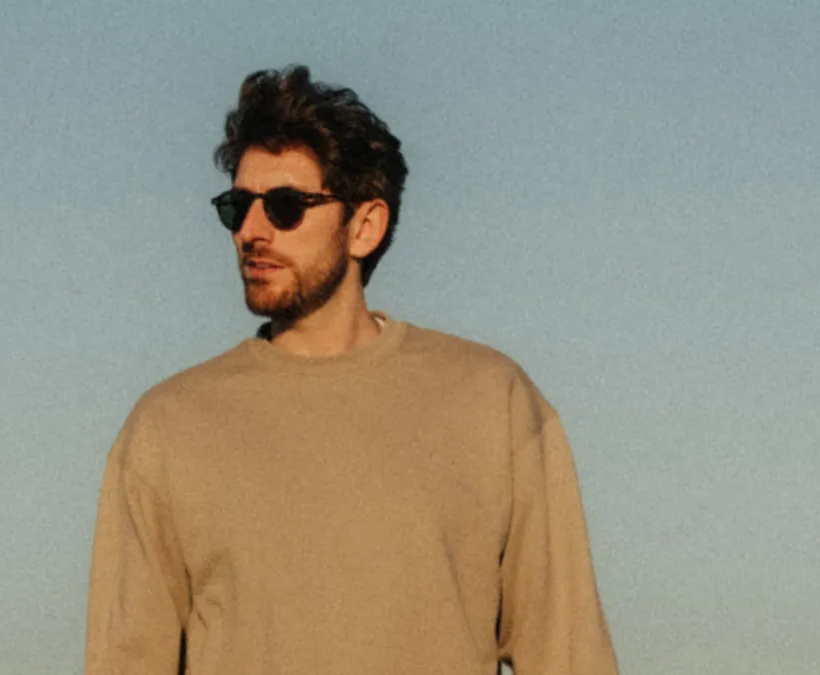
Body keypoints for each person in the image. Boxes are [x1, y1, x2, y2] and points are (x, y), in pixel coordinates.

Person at [84, 65, 619, 675]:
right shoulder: (168, 427)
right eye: (238, 207)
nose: (251, 232)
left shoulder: (493, 402)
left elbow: (569, 654)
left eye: (285, 207)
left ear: (365, 226)